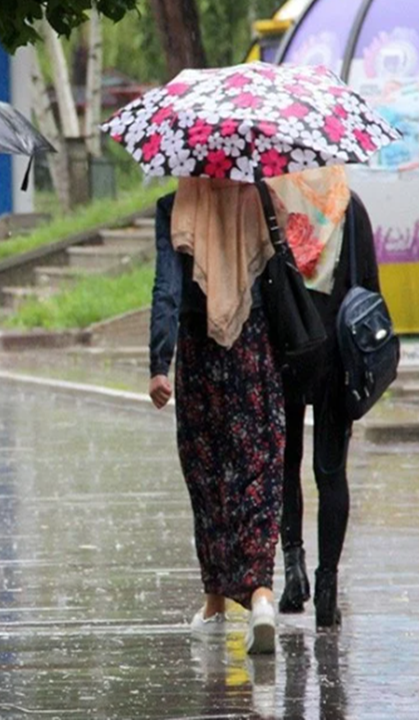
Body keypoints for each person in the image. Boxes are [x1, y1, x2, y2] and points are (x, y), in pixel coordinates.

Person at [148, 178, 285, 655]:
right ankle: (262, 596)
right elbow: (281, 275)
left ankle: (215, 605)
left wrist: (157, 365)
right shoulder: (261, 199)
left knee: (207, 477)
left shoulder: (175, 206)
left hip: (198, 355)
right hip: (253, 350)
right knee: (258, 470)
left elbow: (166, 287)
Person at [275, 168, 381, 629]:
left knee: (285, 463)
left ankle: (293, 571)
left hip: (285, 349)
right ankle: (327, 589)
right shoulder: (350, 206)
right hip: (337, 354)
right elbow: (371, 290)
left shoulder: (274, 205)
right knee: (330, 472)